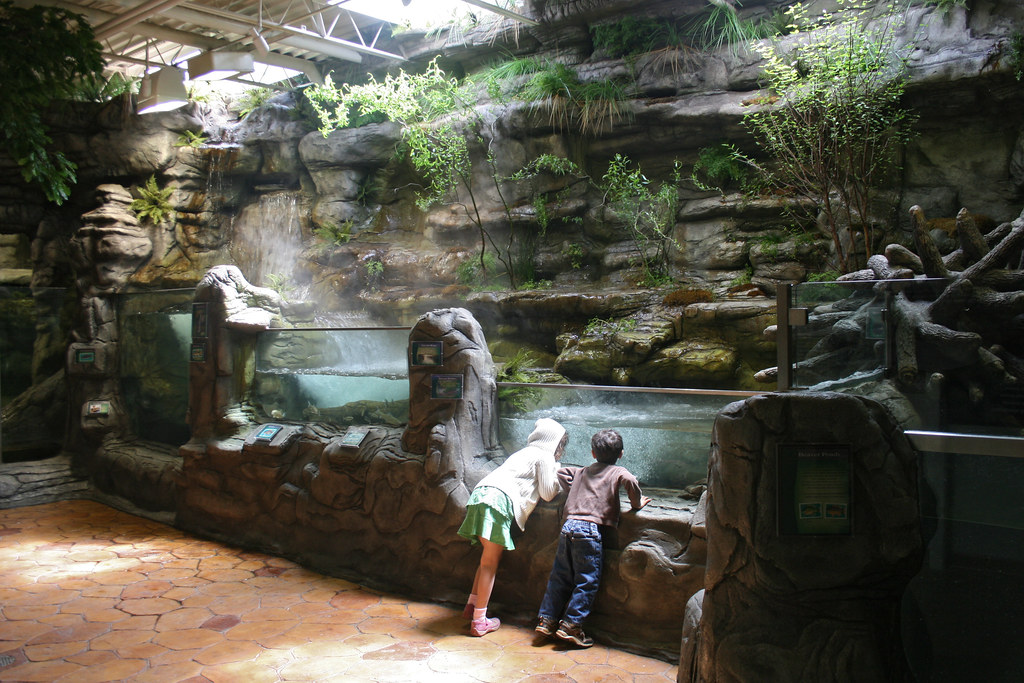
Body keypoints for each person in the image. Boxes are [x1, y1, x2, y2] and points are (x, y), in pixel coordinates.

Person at [535, 428, 651, 648]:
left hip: (568, 527)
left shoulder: (582, 471)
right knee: (587, 580)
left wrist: (576, 490)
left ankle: (547, 620)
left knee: (560, 576)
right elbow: (631, 481)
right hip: (589, 531)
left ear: (592, 453)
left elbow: (561, 474)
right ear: (621, 454)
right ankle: (571, 625)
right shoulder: (618, 471)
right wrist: (637, 503)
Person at [457, 417, 569, 637]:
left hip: (481, 495)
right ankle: (479, 621)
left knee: (485, 558)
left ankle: (471, 605)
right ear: (556, 442)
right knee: (490, 563)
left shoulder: (522, 453)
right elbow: (548, 493)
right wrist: (557, 470)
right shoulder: (544, 457)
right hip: (497, 501)